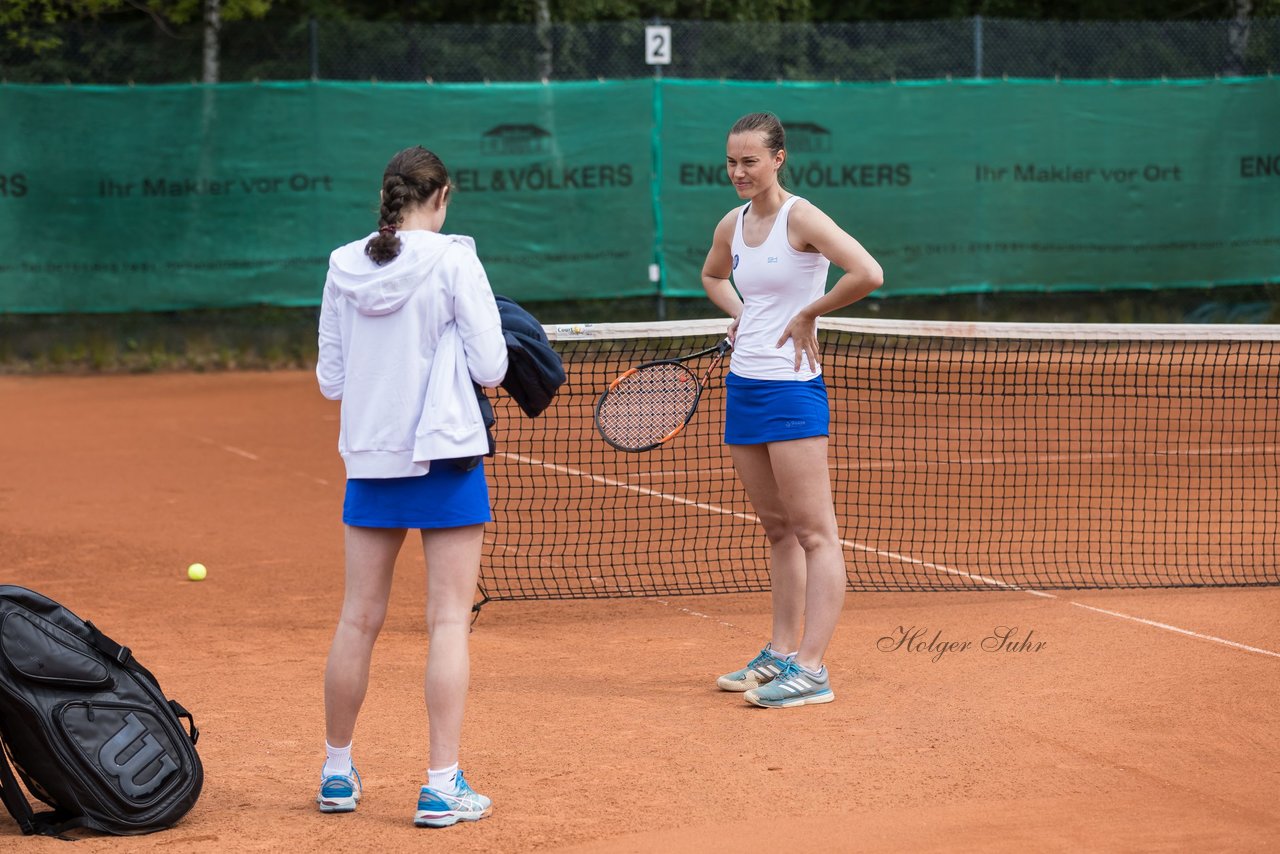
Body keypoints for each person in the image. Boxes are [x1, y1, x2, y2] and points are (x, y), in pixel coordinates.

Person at [314, 145, 508, 826]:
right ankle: (441, 783)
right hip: (446, 454)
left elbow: (332, 381)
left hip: (371, 457)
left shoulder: (343, 265)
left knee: (356, 620)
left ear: (389, 195)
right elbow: (491, 365)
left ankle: (337, 772)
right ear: (443, 195)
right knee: (448, 620)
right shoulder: (456, 259)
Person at [700, 112, 883, 708]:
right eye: (731, 161)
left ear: (778, 158)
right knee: (777, 530)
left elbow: (868, 272)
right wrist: (741, 312)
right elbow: (711, 274)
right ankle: (780, 653)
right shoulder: (732, 222)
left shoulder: (800, 217)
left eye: (750, 161)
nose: (738, 172)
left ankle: (812, 668)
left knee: (815, 533)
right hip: (744, 385)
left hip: (792, 388)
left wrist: (811, 312)